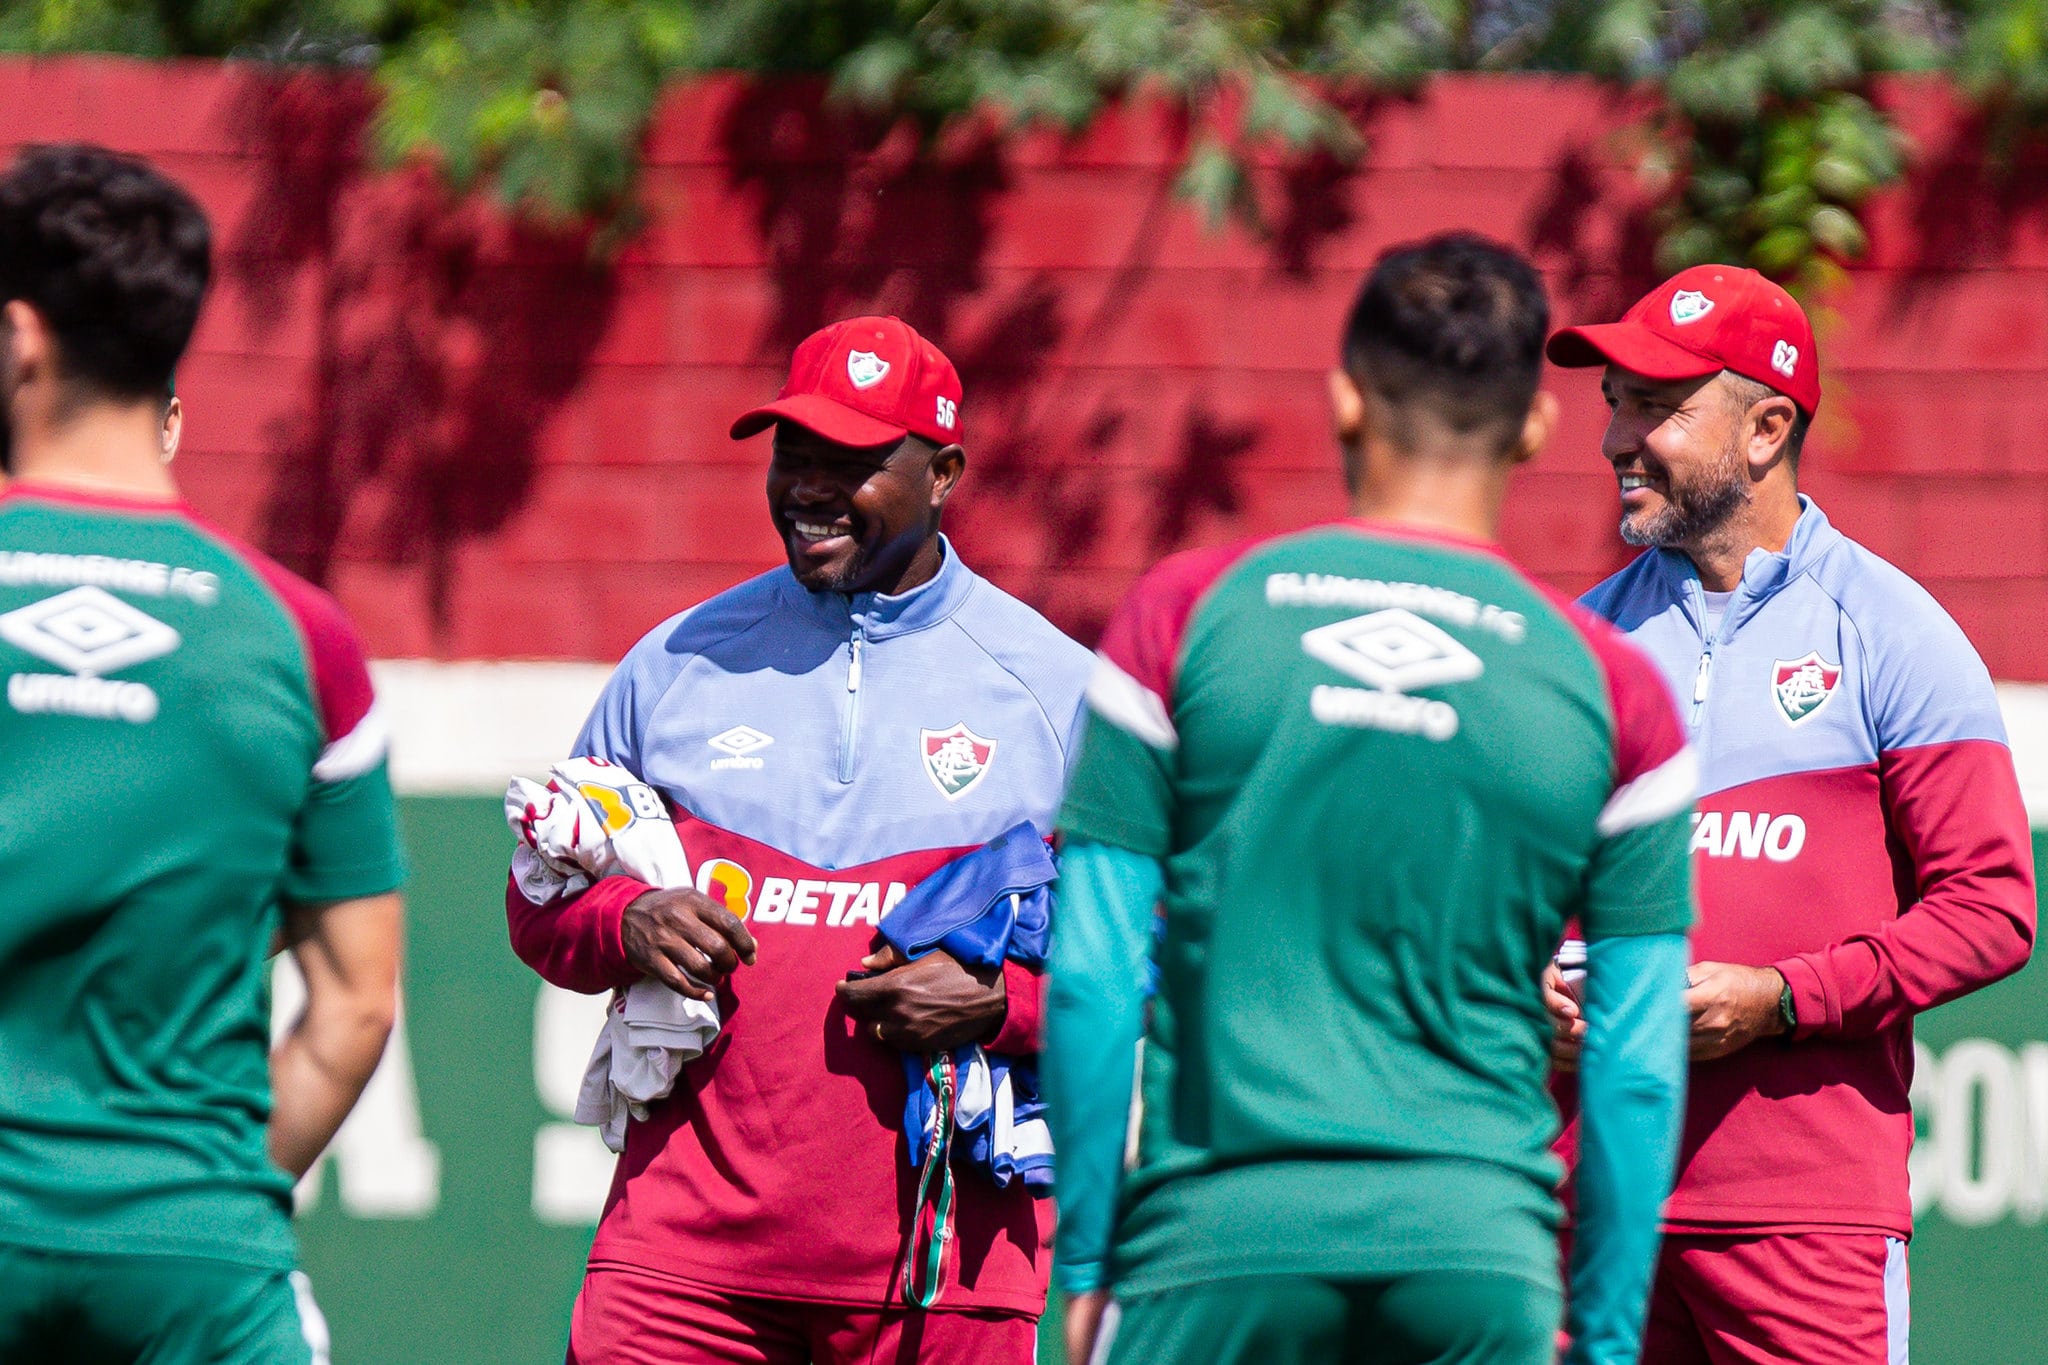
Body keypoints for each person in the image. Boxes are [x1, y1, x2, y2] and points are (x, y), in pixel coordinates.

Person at [1044, 232, 1696, 1365]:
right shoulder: (1613, 687)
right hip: (1478, 1258)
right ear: (1536, 428)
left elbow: (1093, 972)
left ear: (1345, 401)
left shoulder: (1182, 615)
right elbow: (1635, 1059)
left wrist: (1090, 1264)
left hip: (1216, 1244)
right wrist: (1596, 1339)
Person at [504, 315, 1091, 1364]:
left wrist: (1008, 1005)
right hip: (678, 1272)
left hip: (940, 1284)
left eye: (854, 462)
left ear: (943, 471)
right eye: (793, 455)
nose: (809, 487)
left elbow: (1162, 950)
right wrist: (626, 919)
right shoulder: (676, 661)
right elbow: (541, 896)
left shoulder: (1053, 690)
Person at [1544, 264, 2037, 1363]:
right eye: (1613, 404)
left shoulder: (1891, 631)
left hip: (1803, 1217)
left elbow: (1993, 908)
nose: (1618, 440)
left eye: (1657, 408)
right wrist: (1528, 979)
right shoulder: (1577, 646)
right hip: (1589, 1209)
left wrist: (1779, 1000)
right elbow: (1502, 890)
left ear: (1765, 427)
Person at [0, 145, 405, 1362]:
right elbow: (354, 1007)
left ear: (19, 338)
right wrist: (201, 1199)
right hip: (199, 1264)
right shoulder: (300, 638)